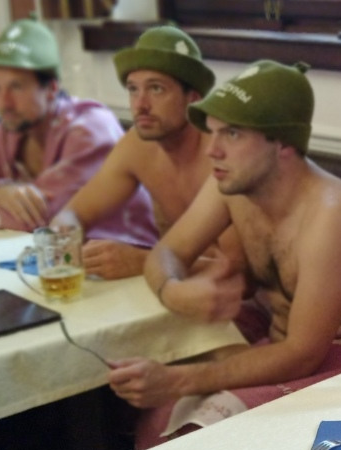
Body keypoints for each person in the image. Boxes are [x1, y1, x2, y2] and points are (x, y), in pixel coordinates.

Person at [108, 60, 341, 449]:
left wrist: (177, 380)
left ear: (283, 144)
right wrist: (173, 290)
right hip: (283, 346)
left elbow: (303, 354)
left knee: (191, 435)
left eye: (232, 134)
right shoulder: (231, 184)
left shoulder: (331, 217)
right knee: (159, 420)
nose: (213, 150)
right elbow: (167, 252)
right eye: (213, 132)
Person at [0, 15, 155, 248]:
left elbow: (40, 223)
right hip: (57, 259)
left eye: (16, 87)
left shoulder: (89, 129)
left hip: (128, 263)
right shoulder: (8, 131)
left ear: (52, 88)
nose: (4, 103)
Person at [52, 25, 220, 280]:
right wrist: (65, 241)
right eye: (133, 89)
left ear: (193, 99)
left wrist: (143, 261)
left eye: (156, 89)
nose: (141, 105)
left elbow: (241, 273)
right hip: (174, 288)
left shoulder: (223, 154)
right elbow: (72, 214)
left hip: (234, 299)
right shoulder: (138, 146)